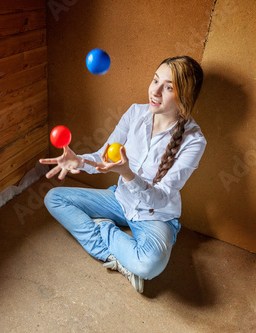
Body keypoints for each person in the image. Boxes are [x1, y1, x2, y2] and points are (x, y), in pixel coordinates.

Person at [40, 56, 206, 293]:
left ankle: (104, 230)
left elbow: (162, 197)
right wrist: (80, 161)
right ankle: (117, 257)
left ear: (185, 97)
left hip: (156, 215)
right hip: (120, 199)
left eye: (168, 87)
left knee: (149, 265)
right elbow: (104, 157)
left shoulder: (194, 141)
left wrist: (127, 173)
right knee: (54, 198)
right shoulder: (135, 113)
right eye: (155, 80)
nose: (155, 91)